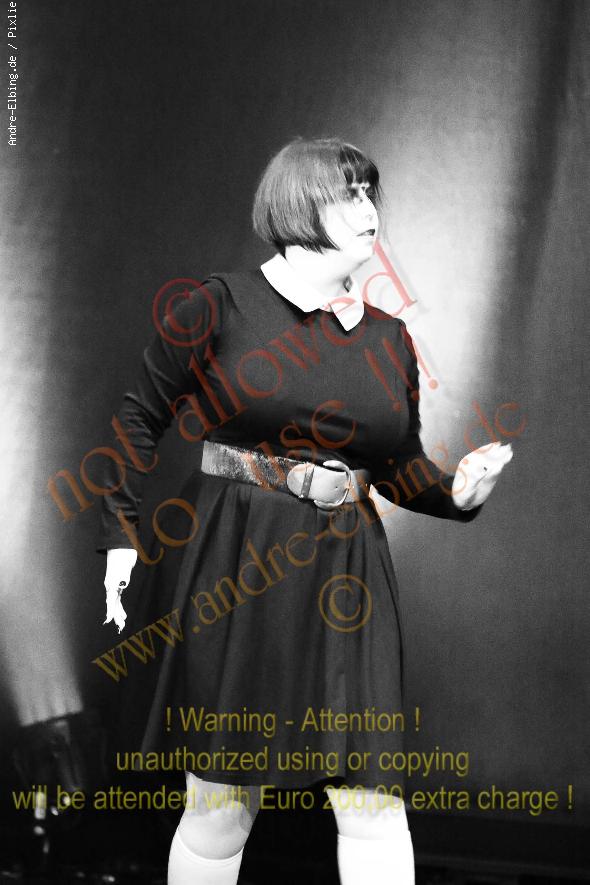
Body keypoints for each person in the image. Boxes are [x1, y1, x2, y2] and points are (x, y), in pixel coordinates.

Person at [97, 137, 513, 884]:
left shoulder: (388, 337)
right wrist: (120, 534)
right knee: (223, 803)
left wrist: (458, 492)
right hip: (237, 561)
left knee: (373, 800)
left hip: (347, 569)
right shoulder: (220, 304)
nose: (369, 209)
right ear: (296, 207)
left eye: (371, 193)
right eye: (348, 193)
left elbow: (398, 465)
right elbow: (138, 417)